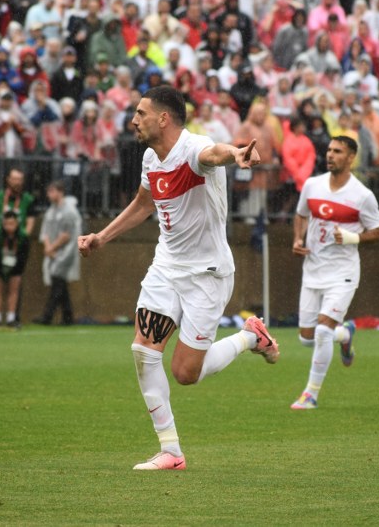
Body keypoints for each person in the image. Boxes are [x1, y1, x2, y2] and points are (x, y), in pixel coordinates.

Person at [77, 85, 278, 471]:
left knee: (186, 373)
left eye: (140, 113)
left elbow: (215, 153)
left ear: (163, 118)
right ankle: (171, 450)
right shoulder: (152, 158)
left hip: (207, 274)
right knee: (143, 350)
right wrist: (102, 236)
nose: (134, 120)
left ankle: (251, 336)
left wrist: (236, 153)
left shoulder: (194, 149)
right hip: (166, 267)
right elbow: (143, 203)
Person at [290, 135, 379, 409]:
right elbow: (300, 215)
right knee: (306, 338)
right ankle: (344, 335)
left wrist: (352, 238)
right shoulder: (312, 185)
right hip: (313, 271)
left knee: (321, 332)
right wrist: (298, 239)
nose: (330, 155)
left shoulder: (362, 196)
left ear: (351, 158)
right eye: (329, 150)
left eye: (338, 151)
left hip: (342, 273)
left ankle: (311, 394)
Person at [38, 180, 82, 326]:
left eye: (52, 191)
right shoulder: (51, 211)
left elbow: (66, 235)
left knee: (58, 282)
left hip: (66, 252)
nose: (49, 195)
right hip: (53, 251)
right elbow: (45, 232)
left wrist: (51, 248)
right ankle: (68, 316)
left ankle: (47, 316)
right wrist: (48, 247)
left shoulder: (68, 211)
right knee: (60, 283)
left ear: (60, 192)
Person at [0, 210, 31, 330]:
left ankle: (11, 317)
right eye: (6, 224)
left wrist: (16, 269)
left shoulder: (23, 236)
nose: (9, 227)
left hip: (15, 265)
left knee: (14, 289)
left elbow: (23, 256)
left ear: (17, 223)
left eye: (12, 224)